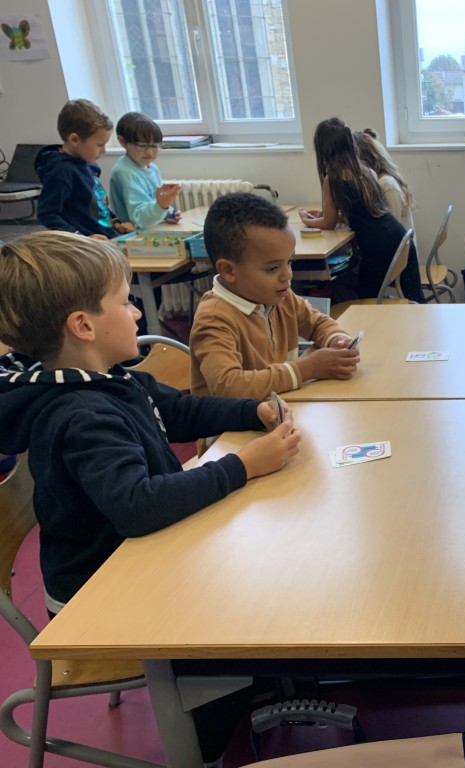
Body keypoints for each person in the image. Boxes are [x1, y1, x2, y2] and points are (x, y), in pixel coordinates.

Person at [0, 231, 301, 766]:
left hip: (132, 562)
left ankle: (257, 683)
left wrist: (250, 412)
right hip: (101, 596)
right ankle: (208, 745)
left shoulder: (107, 379)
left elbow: (179, 411)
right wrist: (243, 465)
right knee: (250, 589)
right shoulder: (80, 412)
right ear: (84, 326)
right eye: (125, 302)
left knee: (261, 562)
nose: (138, 312)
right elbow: (138, 506)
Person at [190, 192, 360, 398]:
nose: (287, 275)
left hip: (278, 407)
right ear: (229, 270)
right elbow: (228, 386)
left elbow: (317, 323)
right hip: (234, 419)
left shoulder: (279, 297)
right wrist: (306, 369)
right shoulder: (214, 319)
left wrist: (337, 340)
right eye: (272, 268)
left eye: (289, 262)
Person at [300, 118, 423, 303]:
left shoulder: (332, 179)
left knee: (364, 298)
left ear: (323, 149)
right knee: (416, 300)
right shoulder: (368, 172)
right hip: (397, 237)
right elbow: (363, 212)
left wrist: (306, 220)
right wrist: (334, 216)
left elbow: (328, 223)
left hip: (378, 248)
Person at [35, 99, 134, 239]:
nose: (104, 151)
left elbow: (98, 206)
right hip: (88, 247)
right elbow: (47, 213)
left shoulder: (88, 165)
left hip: (107, 239)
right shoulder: (61, 171)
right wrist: (81, 238)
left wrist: (117, 224)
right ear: (74, 140)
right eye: (99, 145)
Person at [109, 111, 182, 230]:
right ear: (122, 142)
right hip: (133, 234)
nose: (150, 152)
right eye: (142, 146)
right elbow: (139, 219)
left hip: (152, 228)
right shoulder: (124, 172)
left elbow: (153, 204)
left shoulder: (152, 167)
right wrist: (162, 206)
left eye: (154, 146)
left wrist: (168, 213)